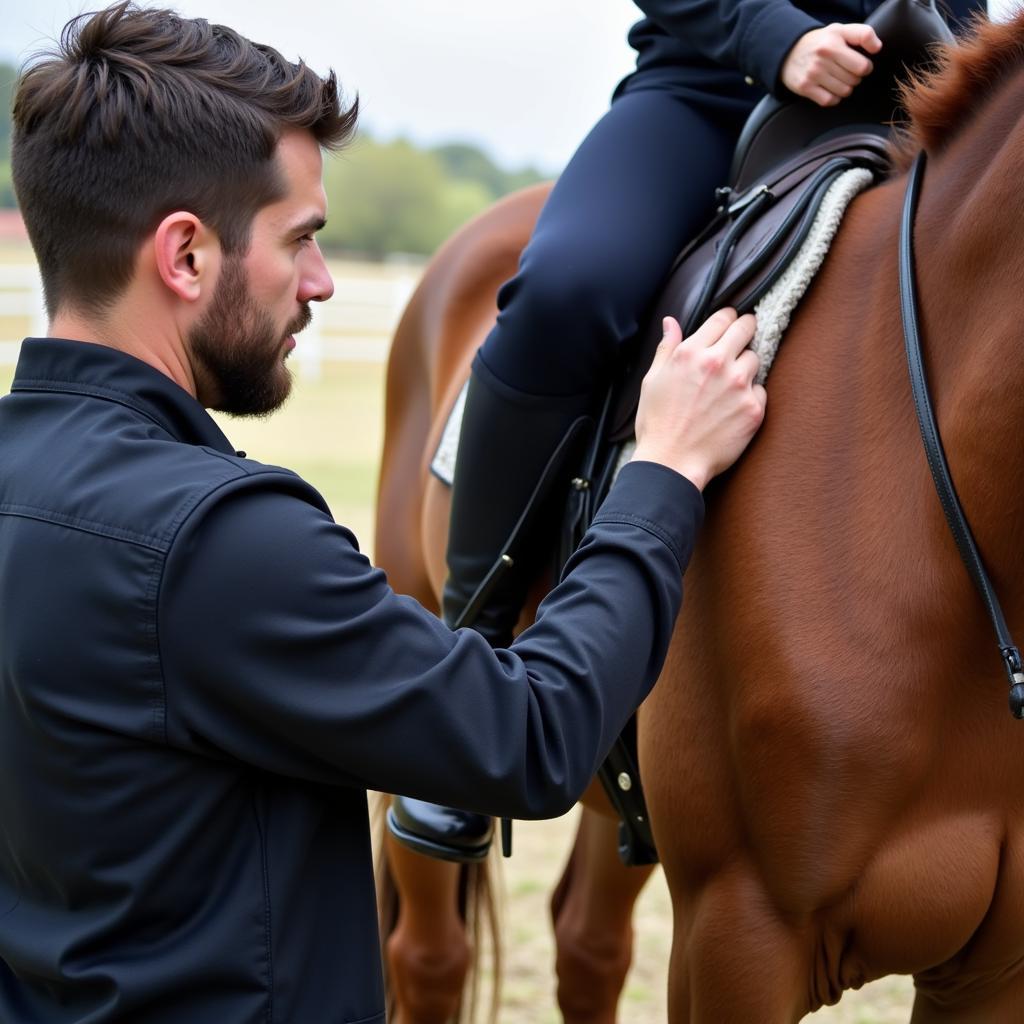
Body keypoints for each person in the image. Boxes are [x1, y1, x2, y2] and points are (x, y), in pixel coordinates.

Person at [0, 4, 768, 1021]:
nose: (320, 281)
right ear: (185, 256)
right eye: (301, 240)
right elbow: (532, 736)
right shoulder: (223, 541)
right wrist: (662, 470)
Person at [389, 0, 987, 860]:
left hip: (938, 89)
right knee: (567, 288)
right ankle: (467, 667)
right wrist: (773, 39)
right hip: (718, 88)